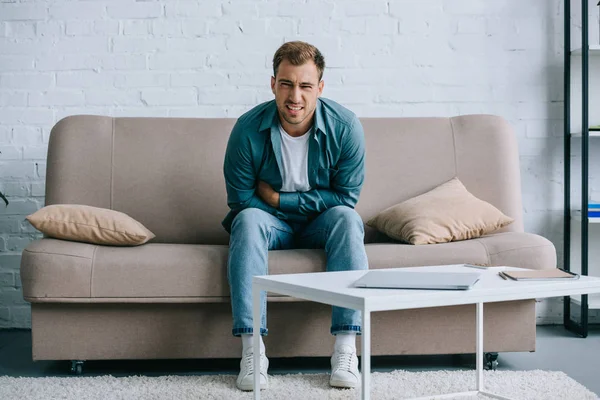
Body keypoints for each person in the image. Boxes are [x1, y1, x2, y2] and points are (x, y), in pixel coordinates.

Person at [222, 41, 368, 391]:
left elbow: (346, 198)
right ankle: (252, 351)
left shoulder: (346, 128)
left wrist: (281, 199)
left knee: (348, 220)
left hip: (321, 224)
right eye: (286, 84)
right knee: (247, 221)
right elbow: (241, 201)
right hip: (268, 223)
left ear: (320, 87)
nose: (295, 97)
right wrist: (277, 209)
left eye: (305, 85)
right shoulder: (247, 130)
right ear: (273, 84)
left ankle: (346, 351)